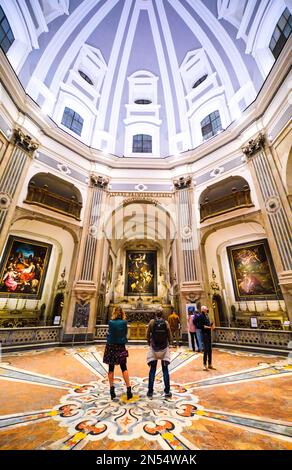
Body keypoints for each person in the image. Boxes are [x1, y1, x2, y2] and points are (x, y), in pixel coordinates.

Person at [103, 306, 133, 400]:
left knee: (111, 368)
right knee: (124, 367)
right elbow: (124, 333)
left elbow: (110, 332)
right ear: (122, 313)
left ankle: (112, 390)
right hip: (120, 346)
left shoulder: (110, 322)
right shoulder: (124, 323)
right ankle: (128, 389)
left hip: (111, 346)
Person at [146, 310, 172, 399]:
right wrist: (170, 343)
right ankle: (167, 391)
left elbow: (147, 333)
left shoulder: (152, 322)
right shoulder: (166, 322)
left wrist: (149, 342)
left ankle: (150, 391)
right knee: (165, 370)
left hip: (154, 348)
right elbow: (169, 333)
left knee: (152, 370)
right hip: (164, 348)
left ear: (155, 314)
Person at [201, 305, 216, 371]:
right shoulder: (201, 316)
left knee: (210, 350)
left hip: (209, 334)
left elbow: (208, 324)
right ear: (203, 309)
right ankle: (204, 365)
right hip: (205, 335)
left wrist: (211, 325)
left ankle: (210, 364)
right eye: (206, 308)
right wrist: (210, 327)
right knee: (206, 350)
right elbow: (202, 326)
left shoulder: (207, 316)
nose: (207, 309)